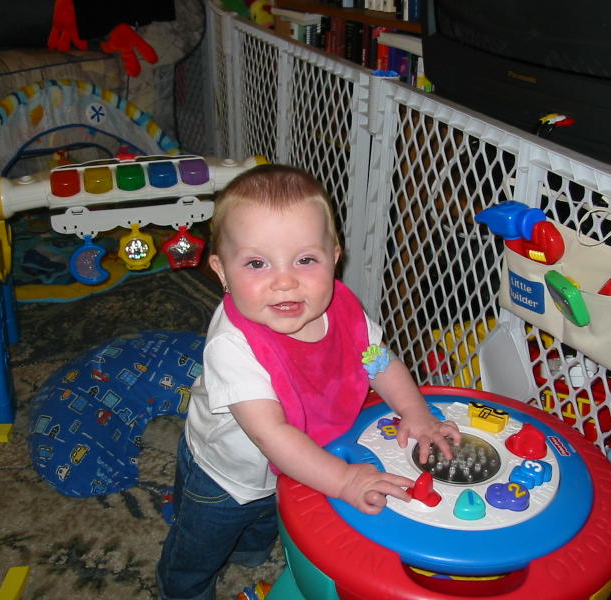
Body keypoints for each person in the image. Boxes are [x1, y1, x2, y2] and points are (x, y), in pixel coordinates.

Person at [157, 164, 461, 600]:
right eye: (257, 263)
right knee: (199, 549)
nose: (285, 281)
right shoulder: (233, 346)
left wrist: (416, 413)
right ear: (222, 271)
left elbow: (376, 360)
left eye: (305, 260)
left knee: (264, 527)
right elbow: (272, 435)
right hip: (226, 478)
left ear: (334, 256)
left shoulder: (342, 308)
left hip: (297, 467)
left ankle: (249, 552)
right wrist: (344, 481)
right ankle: (180, 590)